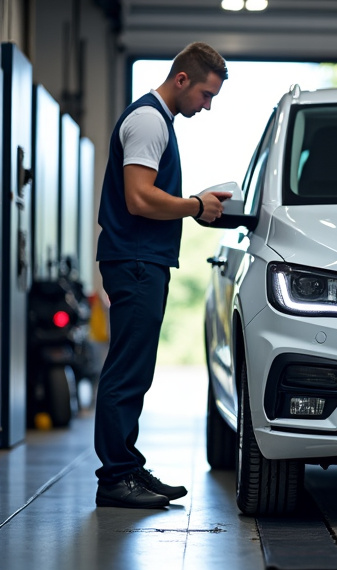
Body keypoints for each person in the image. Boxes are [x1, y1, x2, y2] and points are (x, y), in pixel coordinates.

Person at [93, 42, 231, 509]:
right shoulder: (149, 121)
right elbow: (139, 198)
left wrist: (193, 201)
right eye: (205, 95)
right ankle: (115, 477)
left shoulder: (157, 121)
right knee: (127, 370)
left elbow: (147, 195)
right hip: (134, 259)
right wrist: (195, 206)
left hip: (142, 259)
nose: (207, 107)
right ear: (182, 80)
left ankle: (126, 467)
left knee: (136, 367)